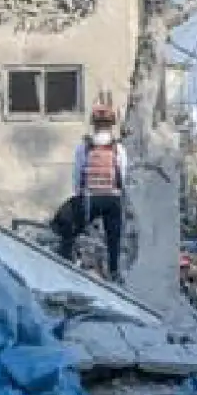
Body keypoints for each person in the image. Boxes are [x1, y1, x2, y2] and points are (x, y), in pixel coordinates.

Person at [68, 102, 129, 280]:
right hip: (112, 198)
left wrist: (79, 194)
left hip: (90, 198)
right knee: (113, 238)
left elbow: (77, 173)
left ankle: (74, 263)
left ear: (94, 124)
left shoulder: (84, 147)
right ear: (111, 125)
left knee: (76, 232)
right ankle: (113, 271)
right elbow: (123, 174)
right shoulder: (118, 148)